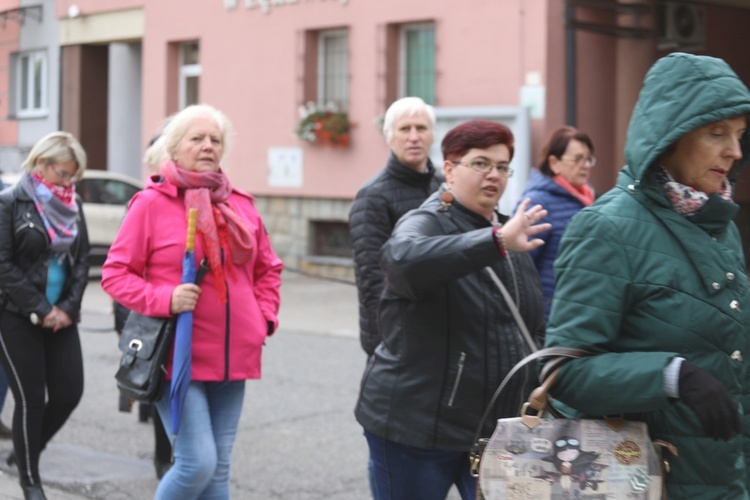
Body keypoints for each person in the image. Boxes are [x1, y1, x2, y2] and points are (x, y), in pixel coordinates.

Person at [542, 52, 750, 498]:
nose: (734, 151)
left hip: (725, 477)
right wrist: (672, 376)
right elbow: (564, 373)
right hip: (645, 480)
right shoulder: (607, 227)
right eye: (717, 133)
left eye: (739, 135)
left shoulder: (721, 226)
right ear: (670, 137)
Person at [355, 119, 551, 499]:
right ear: (449, 169)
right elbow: (401, 260)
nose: (493, 175)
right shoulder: (426, 221)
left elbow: (531, 325)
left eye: (502, 166)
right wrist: (493, 242)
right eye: (480, 164)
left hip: (492, 429)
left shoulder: (508, 232)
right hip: (416, 429)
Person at [102, 104, 283, 500]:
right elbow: (115, 275)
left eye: (215, 140)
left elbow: (268, 269)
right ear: (175, 147)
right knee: (196, 463)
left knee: (218, 472)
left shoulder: (241, 204)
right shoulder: (150, 204)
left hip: (235, 357)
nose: (207, 146)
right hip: (176, 357)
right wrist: (165, 297)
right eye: (197, 138)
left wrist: (263, 318)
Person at [0, 131, 90, 500]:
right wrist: (42, 308)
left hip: (62, 318)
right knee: (31, 400)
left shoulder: (75, 204)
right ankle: (31, 484)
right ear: (40, 164)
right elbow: (3, 266)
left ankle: (27, 451)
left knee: (69, 393)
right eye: (63, 173)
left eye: (73, 176)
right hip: (18, 316)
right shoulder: (10, 202)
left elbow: (82, 261)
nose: (68, 183)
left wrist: (67, 308)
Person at [349, 96, 441, 357]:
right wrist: (387, 343)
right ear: (389, 137)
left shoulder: (445, 188)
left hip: (442, 330)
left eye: (421, 128)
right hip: (397, 338)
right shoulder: (372, 197)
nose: (414, 137)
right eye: (405, 129)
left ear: (432, 135)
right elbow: (372, 281)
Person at [517, 126, 595, 320]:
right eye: (577, 159)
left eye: (588, 158)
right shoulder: (537, 202)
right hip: (548, 319)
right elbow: (520, 267)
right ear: (554, 162)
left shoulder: (587, 199)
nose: (585, 165)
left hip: (580, 314)